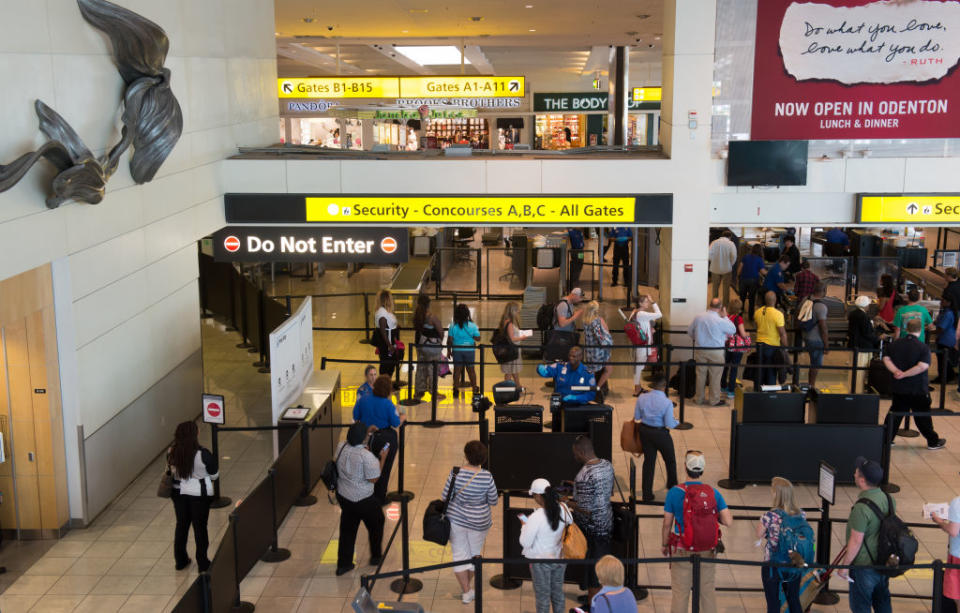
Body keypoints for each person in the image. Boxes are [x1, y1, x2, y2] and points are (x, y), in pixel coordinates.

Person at [662, 451, 733, 613]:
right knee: (707, 592)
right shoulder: (713, 493)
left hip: (682, 548)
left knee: (681, 594)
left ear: (685, 467)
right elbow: (728, 521)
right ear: (702, 470)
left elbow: (667, 523)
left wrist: (664, 544)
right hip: (707, 549)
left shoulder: (674, 492)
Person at [442, 440, 499, 604]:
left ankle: (466, 591)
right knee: (475, 554)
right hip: (479, 522)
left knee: (459, 554)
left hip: (456, 520)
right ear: (483, 459)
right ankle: (468, 587)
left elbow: (445, 496)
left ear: (466, 456)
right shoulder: (487, 476)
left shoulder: (455, 473)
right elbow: (493, 500)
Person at [837, 457, 896, 612]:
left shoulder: (861, 509)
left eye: (856, 472)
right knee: (883, 602)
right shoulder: (888, 499)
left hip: (864, 567)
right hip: (883, 561)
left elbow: (856, 541)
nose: (854, 474)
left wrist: (844, 567)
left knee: (860, 606)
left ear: (862, 480)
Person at [882, 318, 946, 450]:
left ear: (906, 329)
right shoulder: (923, 347)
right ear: (920, 330)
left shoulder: (894, 344)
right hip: (918, 388)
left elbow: (886, 359)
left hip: (899, 387)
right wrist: (905, 374)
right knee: (922, 416)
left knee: (895, 413)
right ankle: (932, 441)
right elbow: (922, 367)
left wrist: (897, 372)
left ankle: (886, 439)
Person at [334, 421, 386, 575]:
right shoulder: (367, 456)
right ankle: (376, 557)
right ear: (363, 438)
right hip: (364, 499)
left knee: (347, 530)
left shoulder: (341, 446)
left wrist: (367, 434)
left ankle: (343, 564)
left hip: (344, 496)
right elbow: (374, 479)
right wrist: (382, 458)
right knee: (376, 524)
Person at [168, 421, 218, 572]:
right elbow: (215, 475)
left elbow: (172, 473)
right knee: (200, 528)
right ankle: (202, 563)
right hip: (199, 496)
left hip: (179, 495)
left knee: (182, 526)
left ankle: (181, 560)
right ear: (195, 434)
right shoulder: (203, 454)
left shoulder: (171, 451)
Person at [570, 436, 615, 606]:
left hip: (592, 529)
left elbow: (586, 509)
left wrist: (567, 502)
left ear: (581, 452)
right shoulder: (607, 465)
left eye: (576, 454)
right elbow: (606, 493)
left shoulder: (583, 475)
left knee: (593, 572)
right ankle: (593, 599)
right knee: (600, 566)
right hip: (607, 522)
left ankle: (593, 605)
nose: (575, 457)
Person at [519, 478, 573, 613]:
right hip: (559, 558)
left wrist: (524, 526)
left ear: (538, 496)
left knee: (543, 598)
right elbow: (570, 521)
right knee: (558, 594)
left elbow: (525, 542)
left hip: (540, 561)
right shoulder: (563, 508)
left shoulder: (536, 517)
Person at [353, 375, 406, 503]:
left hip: (366, 438)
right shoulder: (388, 404)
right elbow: (395, 423)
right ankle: (380, 496)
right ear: (388, 389)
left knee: (366, 465)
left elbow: (355, 416)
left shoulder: (364, 399)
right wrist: (403, 416)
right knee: (384, 467)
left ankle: (365, 493)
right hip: (385, 440)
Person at [756, 477, 805, 613]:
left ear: (776, 495)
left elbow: (759, 534)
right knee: (794, 599)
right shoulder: (801, 515)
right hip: (794, 562)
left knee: (773, 602)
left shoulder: (769, 516)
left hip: (772, 564)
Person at [633, 375, 678, 502]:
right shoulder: (667, 402)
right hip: (661, 434)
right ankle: (672, 487)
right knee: (670, 460)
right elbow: (669, 423)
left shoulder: (642, 398)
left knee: (649, 462)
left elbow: (637, 416)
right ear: (664, 387)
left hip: (645, 432)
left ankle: (647, 494)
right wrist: (677, 422)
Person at [687, 298, 736, 406]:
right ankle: (714, 400)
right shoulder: (721, 320)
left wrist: (697, 338)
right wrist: (725, 316)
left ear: (709, 305)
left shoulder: (699, 317)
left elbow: (690, 331)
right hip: (716, 351)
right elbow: (733, 330)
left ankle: (699, 399)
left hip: (700, 349)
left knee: (700, 375)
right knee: (715, 376)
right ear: (720, 307)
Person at [930, 489, 960, 609]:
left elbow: (953, 531)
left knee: (958, 598)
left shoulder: (957, 503)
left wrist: (940, 522)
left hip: (958, 557)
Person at [628, 295, 662, 396]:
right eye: (646, 302)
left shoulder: (635, 311)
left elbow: (645, 323)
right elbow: (659, 314)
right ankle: (637, 390)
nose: (648, 303)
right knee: (639, 367)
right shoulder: (642, 313)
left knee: (639, 366)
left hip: (639, 344)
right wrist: (653, 302)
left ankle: (638, 388)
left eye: (648, 301)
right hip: (642, 345)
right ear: (640, 303)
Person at [797, 282, 829, 388]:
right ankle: (811, 385)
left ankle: (811, 384)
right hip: (816, 339)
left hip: (805, 335)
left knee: (813, 362)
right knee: (816, 363)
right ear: (824, 291)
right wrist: (826, 344)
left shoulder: (805, 300)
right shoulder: (821, 306)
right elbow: (823, 328)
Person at [413, 294, 443, 402]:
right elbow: (441, 332)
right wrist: (440, 341)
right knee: (433, 369)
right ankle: (433, 392)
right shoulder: (431, 317)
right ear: (429, 304)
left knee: (421, 367)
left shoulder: (416, 316)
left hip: (419, 345)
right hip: (431, 347)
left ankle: (419, 390)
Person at [754, 291, 788, 387]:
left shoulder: (757, 312)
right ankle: (770, 392)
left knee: (760, 369)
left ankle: (758, 389)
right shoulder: (778, 314)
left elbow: (758, 327)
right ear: (775, 300)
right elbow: (782, 334)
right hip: (772, 346)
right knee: (771, 371)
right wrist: (786, 348)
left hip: (759, 345)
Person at [848, 296, 881, 393]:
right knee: (861, 370)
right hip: (863, 347)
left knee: (854, 368)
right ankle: (858, 390)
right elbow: (866, 333)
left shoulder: (853, 313)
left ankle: (853, 388)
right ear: (866, 305)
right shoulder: (863, 316)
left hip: (854, 344)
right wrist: (878, 338)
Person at [582, 301, 613, 400]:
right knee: (608, 369)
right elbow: (601, 338)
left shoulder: (585, 320)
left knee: (593, 372)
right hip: (599, 352)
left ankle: (591, 389)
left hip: (590, 351)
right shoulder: (596, 321)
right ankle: (597, 389)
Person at [448, 303, 481, 398]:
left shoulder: (452, 326)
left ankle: (455, 389)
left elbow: (450, 340)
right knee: (471, 370)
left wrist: (449, 350)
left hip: (457, 350)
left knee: (457, 370)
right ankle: (475, 389)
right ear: (467, 314)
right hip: (469, 350)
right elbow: (478, 338)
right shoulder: (472, 325)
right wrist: (472, 336)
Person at [721, 298, 749, 398]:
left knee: (726, 365)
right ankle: (731, 390)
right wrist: (747, 334)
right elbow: (742, 333)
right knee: (734, 367)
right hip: (737, 346)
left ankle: (723, 386)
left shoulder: (727, 317)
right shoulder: (738, 319)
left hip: (727, 344)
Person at [373, 289, 401, 384]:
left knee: (389, 365)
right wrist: (390, 346)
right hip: (386, 345)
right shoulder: (382, 313)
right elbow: (383, 331)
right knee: (386, 366)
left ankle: (386, 384)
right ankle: (384, 385)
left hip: (388, 343)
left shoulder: (383, 311)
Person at [496, 302, 526, 388]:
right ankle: (507, 389)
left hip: (510, 350)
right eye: (517, 311)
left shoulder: (506, 321)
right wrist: (522, 337)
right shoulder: (509, 323)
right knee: (509, 371)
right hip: (512, 351)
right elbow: (512, 338)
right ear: (513, 311)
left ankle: (518, 386)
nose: (518, 313)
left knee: (513, 370)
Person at [708, 230, 738, 303]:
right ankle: (725, 306)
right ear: (730, 236)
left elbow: (708, 254)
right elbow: (734, 256)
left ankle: (715, 305)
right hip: (727, 269)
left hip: (715, 268)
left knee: (715, 288)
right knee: (726, 288)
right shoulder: (731, 244)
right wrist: (730, 264)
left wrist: (714, 261)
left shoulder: (714, 242)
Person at [934, 295, 958, 384]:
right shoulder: (945, 312)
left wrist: (931, 332)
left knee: (943, 360)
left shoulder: (948, 313)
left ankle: (945, 378)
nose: (941, 302)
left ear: (949, 302)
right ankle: (945, 377)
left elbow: (941, 328)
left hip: (946, 340)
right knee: (943, 360)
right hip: (945, 339)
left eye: (943, 300)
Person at [738, 244, 765, 316]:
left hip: (743, 279)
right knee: (752, 299)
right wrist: (769, 273)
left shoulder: (745, 257)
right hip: (753, 280)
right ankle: (750, 316)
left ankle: (740, 314)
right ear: (760, 251)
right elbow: (763, 271)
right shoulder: (760, 259)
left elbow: (740, 268)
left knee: (742, 298)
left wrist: (738, 277)